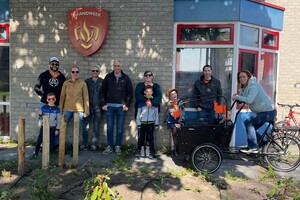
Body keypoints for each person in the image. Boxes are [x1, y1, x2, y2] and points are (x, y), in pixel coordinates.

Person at [232, 70, 277, 154]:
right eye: (240, 77)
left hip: (268, 112)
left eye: (243, 76)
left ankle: (253, 147)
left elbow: (249, 99)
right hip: (263, 112)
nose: (241, 78)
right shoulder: (245, 87)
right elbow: (244, 98)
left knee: (248, 123)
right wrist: (238, 98)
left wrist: (237, 97)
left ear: (248, 77)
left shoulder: (253, 85)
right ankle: (261, 143)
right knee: (251, 128)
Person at [102, 59, 133, 155]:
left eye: (118, 66)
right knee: (110, 127)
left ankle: (118, 146)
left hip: (121, 107)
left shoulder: (126, 78)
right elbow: (102, 91)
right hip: (110, 106)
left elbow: (130, 93)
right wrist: (103, 104)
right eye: (115, 65)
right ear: (113, 66)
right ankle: (109, 146)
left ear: (121, 66)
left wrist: (127, 105)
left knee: (119, 127)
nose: (117, 67)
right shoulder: (108, 77)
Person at [59, 66, 90, 150]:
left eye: (77, 72)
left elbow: (86, 97)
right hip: (67, 109)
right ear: (71, 73)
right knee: (62, 127)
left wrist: (86, 111)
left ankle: (75, 147)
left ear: (79, 73)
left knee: (77, 130)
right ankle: (61, 146)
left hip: (79, 110)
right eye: (73, 72)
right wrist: (60, 109)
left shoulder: (83, 83)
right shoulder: (66, 83)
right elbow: (62, 96)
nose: (75, 73)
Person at [30, 93, 60, 159]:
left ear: (55, 99)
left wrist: (57, 129)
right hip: (44, 127)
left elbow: (58, 120)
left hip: (52, 127)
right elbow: (40, 119)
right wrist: (40, 115)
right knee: (39, 140)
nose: (51, 100)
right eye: (49, 99)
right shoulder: (44, 108)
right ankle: (36, 153)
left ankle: (51, 155)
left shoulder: (57, 109)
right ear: (47, 100)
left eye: (53, 99)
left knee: (52, 141)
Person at [82, 65, 104, 151]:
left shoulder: (102, 82)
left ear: (99, 72)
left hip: (98, 108)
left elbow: (104, 94)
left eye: (96, 71)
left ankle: (94, 144)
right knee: (85, 127)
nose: (95, 72)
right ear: (91, 72)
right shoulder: (86, 82)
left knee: (96, 127)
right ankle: (85, 144)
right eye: (93, 71)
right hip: (88, 108)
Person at [135, 85, 159, 159]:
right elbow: (138, 113)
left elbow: (156, 113)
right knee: (141, 137)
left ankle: (151, 151)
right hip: (142, 123)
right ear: (145, 92)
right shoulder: (141, 102)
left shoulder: (154, 102)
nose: (149, 93)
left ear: (152, 92)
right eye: (147, 91)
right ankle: (139, 150)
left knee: (151, 138)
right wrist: (138, 122)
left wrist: (156, 122)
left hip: (151, 122)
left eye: (150, 91)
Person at [165, 88, 182, 155]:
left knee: (180, 135)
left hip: (179, 121)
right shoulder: (169, 103)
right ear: (170, 96)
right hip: (172, 121)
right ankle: (176, 150)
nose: (174, 95)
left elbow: (182, 112)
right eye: (172, 94)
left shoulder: (180, 102)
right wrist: (165, 120)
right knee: (174, 133)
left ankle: (179, 149)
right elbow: (169, 113)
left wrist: (180, 121)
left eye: (175, 93)